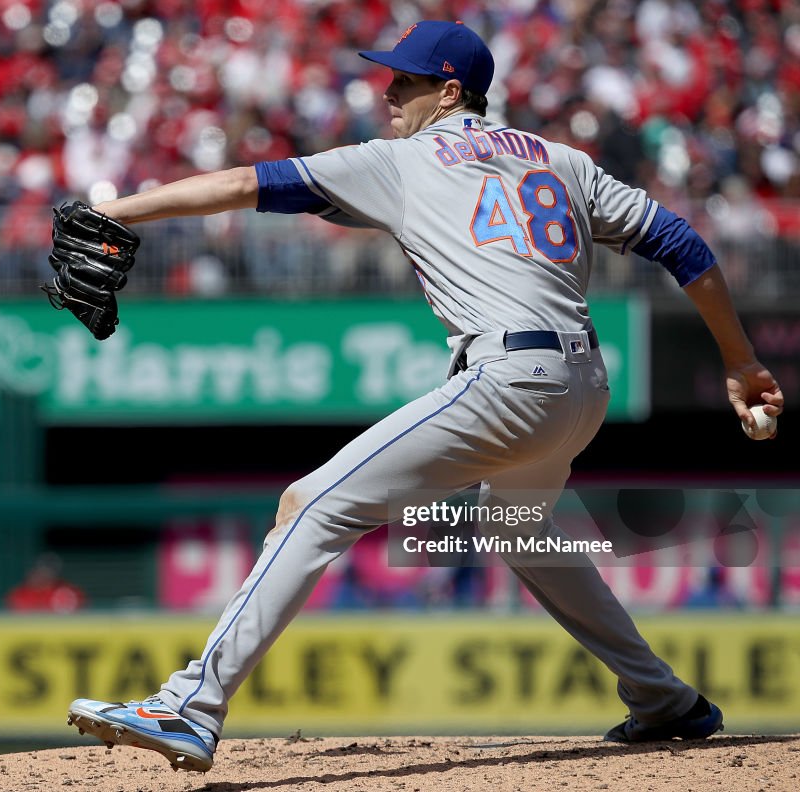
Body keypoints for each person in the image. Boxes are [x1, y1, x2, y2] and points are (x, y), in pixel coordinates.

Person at [64, 21, 784, 773]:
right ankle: (664, 699)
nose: (387, 92)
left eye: (404, 80)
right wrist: (740, 360)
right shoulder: (564, 160)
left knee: (311, 504)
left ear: (449, 92)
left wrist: (117, 211)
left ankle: (189, 705)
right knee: (514, 527)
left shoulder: (403, 158)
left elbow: (249, 184)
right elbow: (683, 245)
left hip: (509, 379)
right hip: (584, 387)